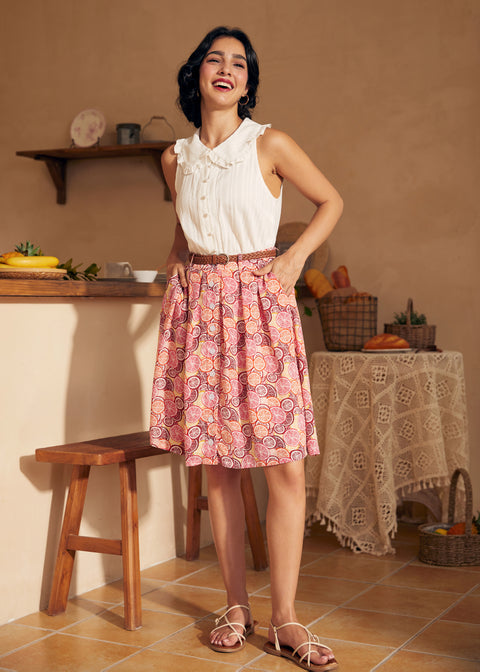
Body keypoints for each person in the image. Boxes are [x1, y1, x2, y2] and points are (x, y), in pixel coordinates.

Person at [150, 25, 343, 672]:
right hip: (202, 312)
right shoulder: (175, 158)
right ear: (197, 74)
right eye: (216, 59)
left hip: (261, 305)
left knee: (283, 467)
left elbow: (331, 201)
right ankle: (236, 607)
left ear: (248, 82)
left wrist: (294, 258)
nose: (227, 69)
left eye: (239, 63)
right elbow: (186, 229)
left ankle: (285, 617)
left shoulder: (270, 143)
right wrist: (174, 264)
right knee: (219, 469)